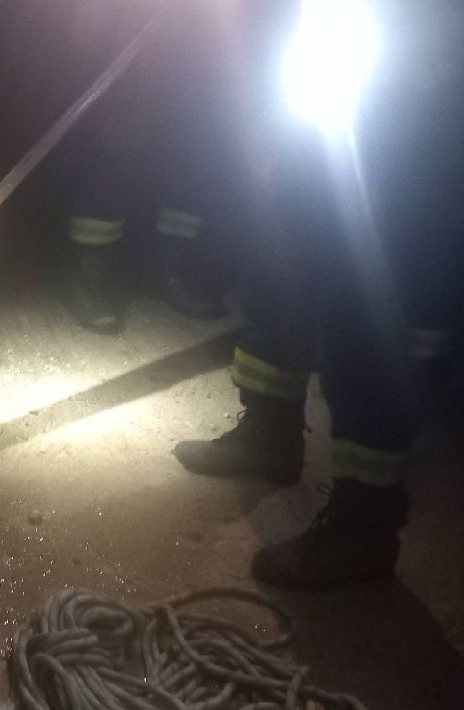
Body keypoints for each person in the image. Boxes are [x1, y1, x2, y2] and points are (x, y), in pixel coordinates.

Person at [173, 0, 464, 589]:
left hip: (414, 85)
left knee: (373, 308)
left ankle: (364, 525)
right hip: (339, 51)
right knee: (286, 252)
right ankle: (268, 433)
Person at [59, 0, 232, 334]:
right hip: (136, 21)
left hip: (205, 29)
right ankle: (90, 273)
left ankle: (169, 266)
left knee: (195, 148)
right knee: (119, 144)